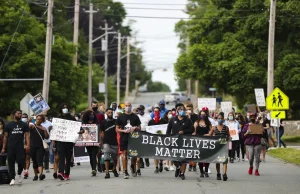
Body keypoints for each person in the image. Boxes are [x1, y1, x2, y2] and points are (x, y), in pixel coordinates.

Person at [1, 109, 30, 185]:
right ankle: (12, 178)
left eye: (20, 114)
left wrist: (28, 145)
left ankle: (19, 173)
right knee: (11, 162)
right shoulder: (8, 125)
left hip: (20, 146)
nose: (20, 115)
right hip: (10, 146)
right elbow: (5, 137)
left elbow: (27, 135)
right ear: (14, 115)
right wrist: (3, 148)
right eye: (18, 113)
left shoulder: (24, 125)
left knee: (21, 162)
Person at [54, 103, 83, 181]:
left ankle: (67, 173)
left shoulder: (72, 118)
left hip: (69, 141)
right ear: (61, 109)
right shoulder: (58, 118)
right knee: (61, 156)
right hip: (60, 141)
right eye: (64, 107)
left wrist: (81, 131)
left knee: (68, 157)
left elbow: (79, 128)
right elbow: (54, 130)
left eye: (66, 107)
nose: (65, 109)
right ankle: (60, 172)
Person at [166, 103, 194, 180]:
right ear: (177, 111)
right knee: (174, 157)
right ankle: (178, 167)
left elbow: (192, 130)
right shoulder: (173, 119)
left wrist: (184, 131)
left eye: (183, 110)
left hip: (184, 142)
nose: (181, 111)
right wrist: (167, 138)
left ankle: (182, 173)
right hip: (174, 141)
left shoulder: (188, 120)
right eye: (180, 110)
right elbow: (168, 130)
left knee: (183, 158)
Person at [116, 101, 141, 179]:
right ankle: (125, 171)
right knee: (124, 154)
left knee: (134, 154)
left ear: (131, 106)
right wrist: (123, 131)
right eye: (126, 105)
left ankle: (133, 167)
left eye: (129, 105)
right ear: (124, 107)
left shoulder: (135, 116)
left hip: (134, 138)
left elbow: (139, 128)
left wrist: (135, 128)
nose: (128, 107)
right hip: (124, 137)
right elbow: (116, 129)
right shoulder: (120, 117)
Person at [207, 113, 230, 181]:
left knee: (224, 161)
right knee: (217, 161)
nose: (220, 119)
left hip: (224, 146)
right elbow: (209, 135)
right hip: (217, 147)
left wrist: (229, 143)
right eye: (218, 118)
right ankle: (218, 173)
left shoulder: (226, 128)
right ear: (217, 119)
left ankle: (224, 174)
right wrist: (200, 136)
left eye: (221, 118)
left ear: (223, 119)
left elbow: (229, 136)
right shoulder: (214, 128)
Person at [100, 108, 119, 179]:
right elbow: (101, 133)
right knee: (106, 156)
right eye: (109, 113)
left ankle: (114, 168)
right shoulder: (103, 122)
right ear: (106, 113)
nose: (110, 114)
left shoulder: (116, 121)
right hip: (106, 142)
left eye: (111, 112)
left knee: (115, 158)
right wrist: (101, 142)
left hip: (115, 142)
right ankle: (107, 172)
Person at [193, 110, 212, 178]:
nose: (202, 115)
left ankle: (206, 171)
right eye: (201, 114)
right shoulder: (196, 122)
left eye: (204, 114)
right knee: (200, 157)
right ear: (199, 115)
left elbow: (212, 131)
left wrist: (209, 134)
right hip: (198, 142)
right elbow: (194, 132)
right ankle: (201, 172)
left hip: (206, 141)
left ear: (206, 115)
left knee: (207, 157)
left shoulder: (208, 123)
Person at [30, 115, 49, 181]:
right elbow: (27, 127)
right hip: (32, 146)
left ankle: (41, 174)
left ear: (42, 120)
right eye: (37, 119)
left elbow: (47, 137)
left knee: (39, 160)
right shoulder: (32, 126)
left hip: (40, 146)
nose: (37, 120)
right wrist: (28, 121)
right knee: (34, 161)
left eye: (39, 119)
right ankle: (35, 175)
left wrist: (45, 130)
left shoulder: (43, 128)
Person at [149, 107, 168, 174]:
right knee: (155, 154)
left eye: (157, 111)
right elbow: (149, 131)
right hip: (154, 140)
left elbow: (166, 129)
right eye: (155, 111)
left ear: (160, 112)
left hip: (162, 140)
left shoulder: (163, 121)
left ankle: (161, 163)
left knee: (161, 153)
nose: (156, 112)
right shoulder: (151, 121)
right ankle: (156, 167)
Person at [81, 110, 100, 176]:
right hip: (87, 141)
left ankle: (94, 169)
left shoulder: (96, 122)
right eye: (90, 114)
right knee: (90, 155)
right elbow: (81, 131)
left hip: (95, 141)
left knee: (94, 155)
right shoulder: (84, 123)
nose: (91, 116)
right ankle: (93, 168)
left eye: (92, 114)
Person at [186, 103, 199, 171]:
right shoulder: (185, 116)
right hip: (188, 136)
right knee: (189, 151)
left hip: (195, 136)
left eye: (189, 109)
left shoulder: (196, 116)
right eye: (187, 109)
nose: (188, 111)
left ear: (192, 109)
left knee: (195, 151)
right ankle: (190, 164)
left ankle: (194, 165)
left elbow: (197, 124)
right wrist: (187, 117)